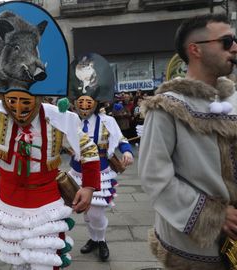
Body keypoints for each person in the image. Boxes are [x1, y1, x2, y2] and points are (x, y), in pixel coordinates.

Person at [0, 3, 101, 268]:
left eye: (26, 102)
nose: (18, 108)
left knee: (45, 262)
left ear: (37, 98)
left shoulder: (57, 118)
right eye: (12, 101)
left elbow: (88, 150)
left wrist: (90, 186)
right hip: (8, 205)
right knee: (17, 263)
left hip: (47, 204)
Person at [139, 14, 237, 270]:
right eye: (226, 41)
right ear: (196, 49)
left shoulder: (234, 100)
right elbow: (155, 176)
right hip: (192, 247)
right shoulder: (165, 107)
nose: (235, 47)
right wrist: (214, 216)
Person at [68, 53, 134, 261]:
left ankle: (101, 239)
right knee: (86, 213)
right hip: (76, 172)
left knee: (96, 213)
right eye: (81, 103)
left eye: (88, 103)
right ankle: (93, 238)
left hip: (101, 171)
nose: (85, 107)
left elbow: (122, 139)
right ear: (76, 103)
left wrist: (127, 152)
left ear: (95, 103)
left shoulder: (107, 122)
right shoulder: (69, 121)